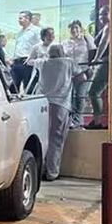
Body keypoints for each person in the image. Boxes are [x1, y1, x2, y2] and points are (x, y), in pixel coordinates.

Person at [38, 44, 82, 181]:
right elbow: (82, 78)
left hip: (42, 104)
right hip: (60, 104)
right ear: (62, 52)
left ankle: (39, 170)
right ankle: (52, 172)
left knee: (41, 138)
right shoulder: (68, 62)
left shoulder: (43, 63)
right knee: (56, 139)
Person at [63, 20, 96, 129]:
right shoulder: (66, 43)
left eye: (76, 28)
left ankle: (77, 119)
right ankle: (73, 120)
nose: (74, 30)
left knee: (80, 95)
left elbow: (93, 52)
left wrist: (90, 67)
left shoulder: (86, 39)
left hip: (84, 70)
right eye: (72, 28)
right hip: (70, 72)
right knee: (70, 96)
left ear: (80, 28)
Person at [11, 10, 41, 92]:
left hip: (27, 62)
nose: (19, 20)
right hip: (16, 63)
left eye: (21, 18)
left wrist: (34, 59)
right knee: (12, 86)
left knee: (28, 88)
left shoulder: (36, 30)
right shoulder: (19, 33)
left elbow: (40, 46)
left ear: (27, 18)